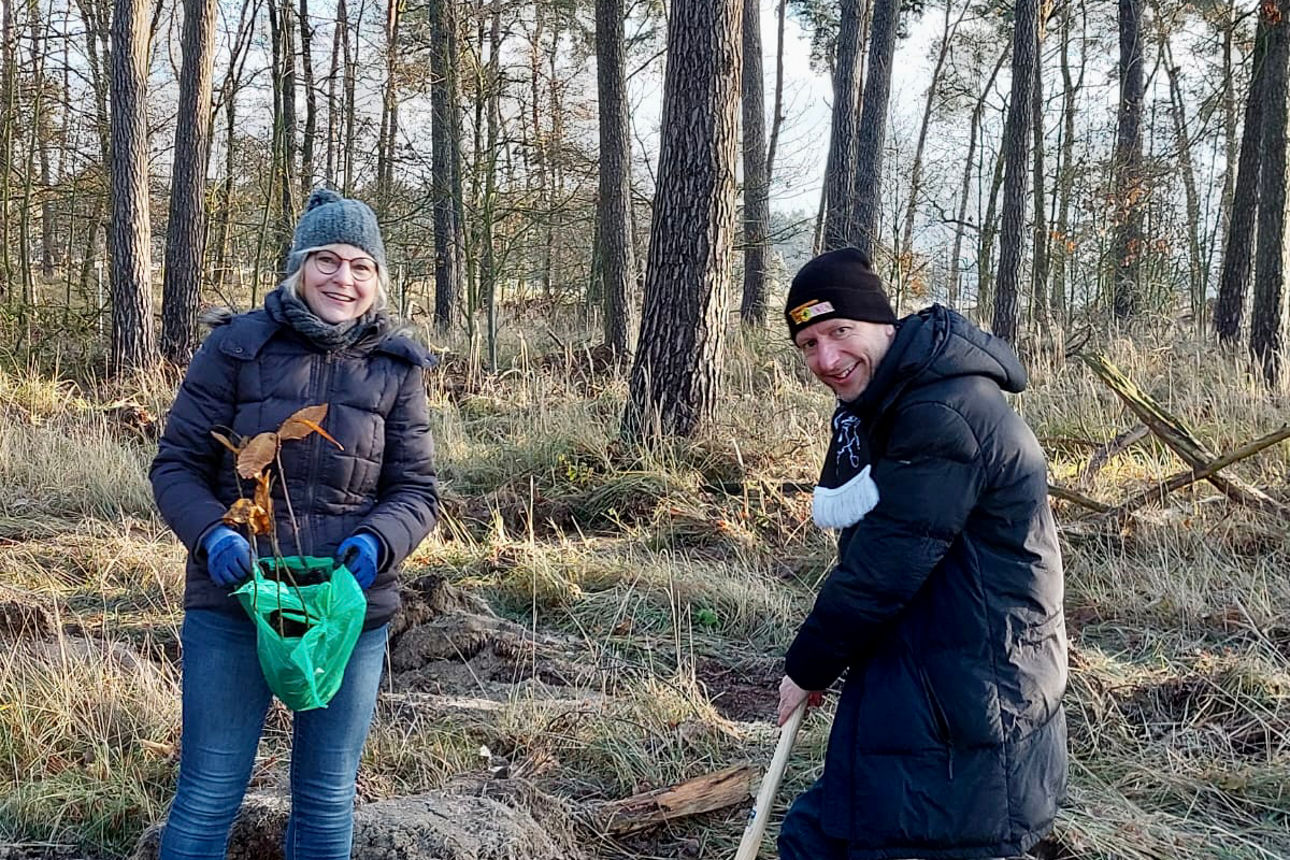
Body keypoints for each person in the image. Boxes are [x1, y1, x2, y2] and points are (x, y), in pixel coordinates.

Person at [150, 188, 439, 860]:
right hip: (236, 601)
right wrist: (212, 534)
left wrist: (377, 542)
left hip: (346, 613)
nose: (344, 278)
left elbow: (418, 489)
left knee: (328, 797)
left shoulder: (396, 367)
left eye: (360, 265)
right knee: (209, 791)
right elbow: (177, 468)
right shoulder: (236, 347)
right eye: (327, 261)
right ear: (299, 267)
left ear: (378, 278)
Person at [775, 248, 1067, 860]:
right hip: (925, 672)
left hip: (972, 704)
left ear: (883, 323)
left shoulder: (942, 413)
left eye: (839, 331)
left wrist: (807, 667)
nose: (826, 359)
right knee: (811, 837)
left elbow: (882, 568)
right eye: (807, 345)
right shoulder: (891, 405)